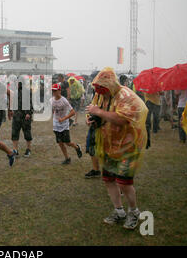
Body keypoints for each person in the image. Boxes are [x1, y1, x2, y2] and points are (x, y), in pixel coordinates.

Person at [85, 67, 148, 230]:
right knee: (109, 179)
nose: (100, 94)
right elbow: (93, 110)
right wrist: (90, 119)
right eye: (98, 90)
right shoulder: (100, 94)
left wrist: (98, 112)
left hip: (128, 146)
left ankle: (134, 211)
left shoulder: (126, 96)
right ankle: (119, 211)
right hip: (108, 145)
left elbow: (122, 119)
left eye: (103, 90)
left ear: (111, 86)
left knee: (124, 183)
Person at [51, 83, 82, 165]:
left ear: (59, 91)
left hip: (64, 125)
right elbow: (53, 110)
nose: (54, 92)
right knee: (60, 143)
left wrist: (64, 118)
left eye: (55, 90)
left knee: (67, 143)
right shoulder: (51, 100)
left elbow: (73, 112)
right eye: (52, 91)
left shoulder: (64, 101)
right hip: (56, 125)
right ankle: (67, 158)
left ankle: (77, 147)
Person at [11, 80, 33, 158]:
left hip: (25, 116)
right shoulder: (15, 92)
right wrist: (12, 111)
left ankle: (28, 149)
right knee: (14, 133)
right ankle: (15, 150)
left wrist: (28, 113)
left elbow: (30, 103)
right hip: (16, 115)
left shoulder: (27, 92)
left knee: (27, 133)